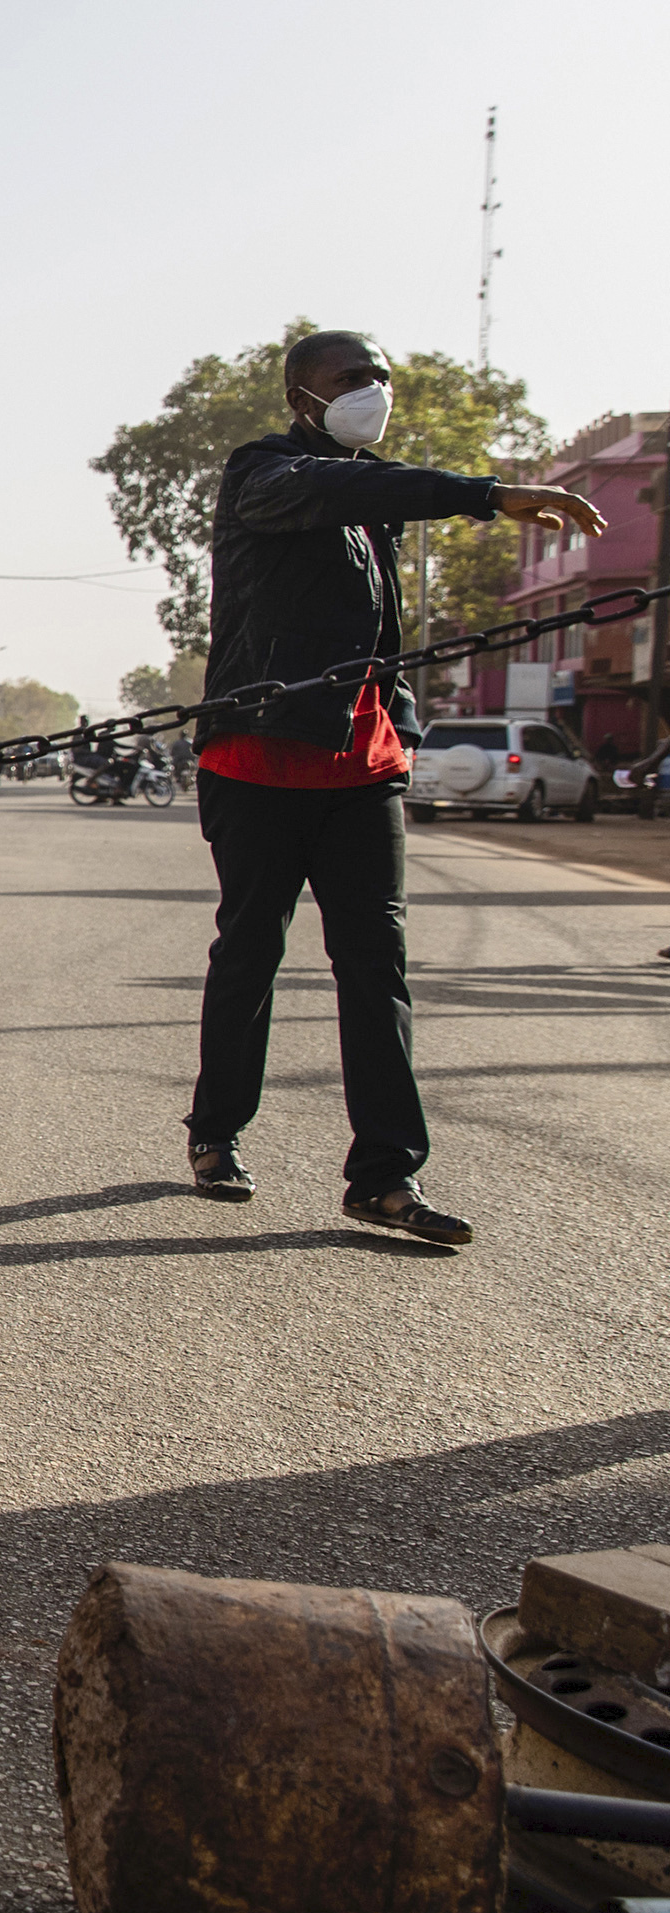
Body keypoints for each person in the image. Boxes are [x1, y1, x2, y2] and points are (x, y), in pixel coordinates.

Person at [184, 328, 602, 1244]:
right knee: (250, 952)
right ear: (300, 396)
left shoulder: (375, 498)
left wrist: (399, 724)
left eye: (379, 377)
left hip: (364, 768)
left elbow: (377, 569)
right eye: (350, 378)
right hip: (258, 762)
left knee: (376, 968)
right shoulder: (263, 473)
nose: (370, 391)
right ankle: (215, 1135)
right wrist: (487, 495)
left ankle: (384, 1178)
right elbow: (345, 488)